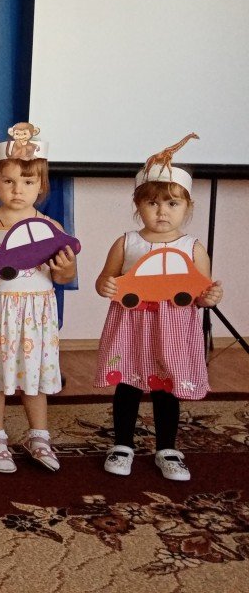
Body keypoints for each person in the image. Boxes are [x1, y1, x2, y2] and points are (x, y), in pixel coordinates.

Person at [93, 141, 223, 481]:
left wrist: (210, 297)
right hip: (132, 327)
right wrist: (106, 285)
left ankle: (167, 448)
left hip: (173, 330)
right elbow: (105, 279)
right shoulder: (127, 242)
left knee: (166, 387)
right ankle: (122, 445)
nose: (162, 211)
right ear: (138, 205)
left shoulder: (192, 247)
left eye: (172, 203)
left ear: (187, 206)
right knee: (128, 384)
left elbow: (201, 293)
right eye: (152, 203)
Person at [0, 124, 77, 474]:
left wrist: (66, 269)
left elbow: (64, 277)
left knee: (34, 376)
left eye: (28, 182)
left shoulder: (52, 228)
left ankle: (38, 436)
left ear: (41, 186)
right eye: (9, 181)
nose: (17, 190)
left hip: (35, 315)